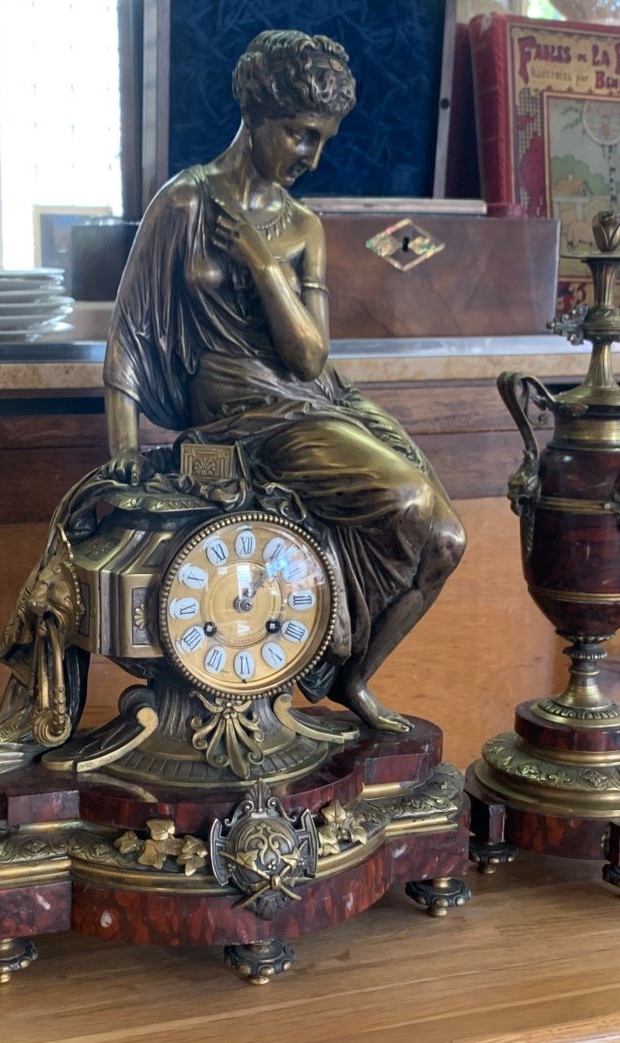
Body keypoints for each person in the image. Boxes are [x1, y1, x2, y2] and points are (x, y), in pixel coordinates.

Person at [102, 29, 466, 732]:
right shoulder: (185, 204)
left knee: (447, 539)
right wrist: (121, 462)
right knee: (410, 499)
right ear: (257, 113)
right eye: (300, 135)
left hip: (312, 407)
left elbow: (308, 359)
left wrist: (266, 267)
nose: (312, 156)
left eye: (323, 138)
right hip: (238, 429)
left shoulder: (303, 227)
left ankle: (354, 679)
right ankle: (327, 657)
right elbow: (131, 338)